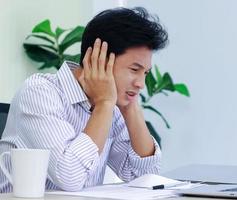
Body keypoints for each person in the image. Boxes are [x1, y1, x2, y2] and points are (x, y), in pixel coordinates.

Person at [0, 7, 168, 192]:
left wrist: (130, 107)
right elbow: (69, 176)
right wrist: (104, 104)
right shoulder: (39, 93)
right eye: (134, 70)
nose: (141, 84)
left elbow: (146, 177)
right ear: (99, 59)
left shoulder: (114, 106)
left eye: (145, 73)